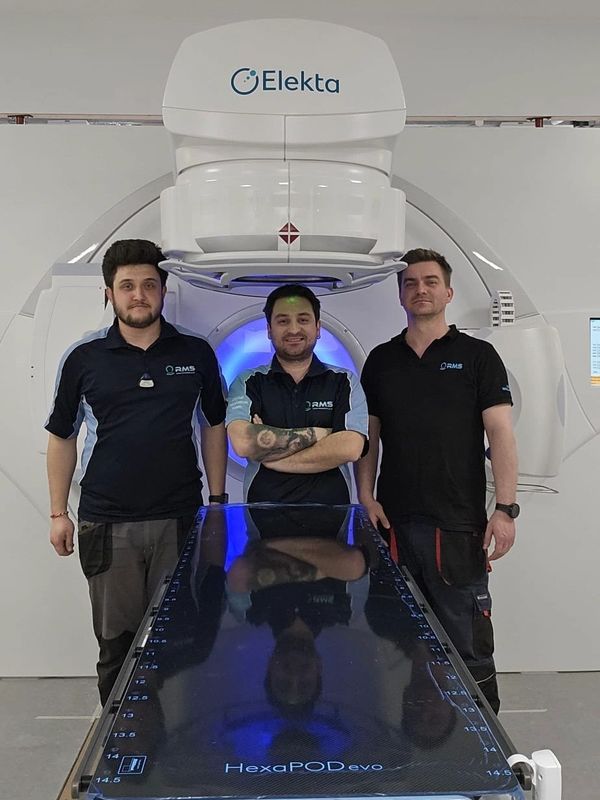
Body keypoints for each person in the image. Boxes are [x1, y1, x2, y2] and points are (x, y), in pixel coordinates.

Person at [45, 239, 228, 704]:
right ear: (109, 294)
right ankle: (118, 737)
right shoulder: (83, 358)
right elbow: (63, 436)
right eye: (127, 286)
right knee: (117, 644)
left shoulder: (196, 353)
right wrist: (57, 513)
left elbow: (214, 425)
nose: (139, 295)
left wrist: (217, 503)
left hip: (179, 518)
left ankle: (167, 737)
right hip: (107, 521)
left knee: (180, 635)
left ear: (163, 290)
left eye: (149, 284)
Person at [355, 248, 518, 713]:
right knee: (401, 638)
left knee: (468, 643)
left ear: (448, 292)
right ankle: (416, 735)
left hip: (457, 525)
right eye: (410, 283)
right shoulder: (382, 361)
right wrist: (365, 495)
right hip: (396, 524)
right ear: (400, 295)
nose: (420, 289)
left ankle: (487, 739)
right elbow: (370, 437)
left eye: (430, 282)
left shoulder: (477, 356)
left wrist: (505, 509)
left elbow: (500, 434)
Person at [226, 284, 368, 503]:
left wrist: (272, 455)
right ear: (269, 330)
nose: (293, 330)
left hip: (332, 514)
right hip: (263, 513)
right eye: (283, 321)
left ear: (318, 328)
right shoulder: (248, 382)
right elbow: (243, 442)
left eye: (303, 320)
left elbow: (350, 447)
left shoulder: (344, 381)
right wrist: (322, 434)